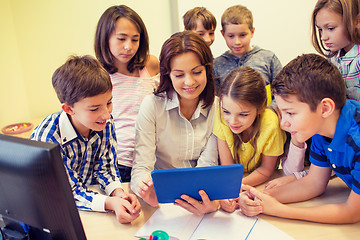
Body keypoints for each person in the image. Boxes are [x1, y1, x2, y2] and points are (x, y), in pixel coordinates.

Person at [239, 53, 360, 224]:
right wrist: (259, 198)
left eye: (291, 113)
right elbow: (314, 183)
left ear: (325, 108)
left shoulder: (356, 139)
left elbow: (352, 212)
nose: (283, 124)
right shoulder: (321, 127)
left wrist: (280, 210)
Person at [30, 55, 141, 224]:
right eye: (95, 108)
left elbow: (105, 167)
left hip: (92, 203)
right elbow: (68, 191)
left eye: (109, 102)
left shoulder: (104, 122)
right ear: (69, 109)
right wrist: (110, 203)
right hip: (56, 211)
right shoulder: (48, 139)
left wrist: (118, 193)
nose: (106, 114)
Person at [130, 31, 219, 215]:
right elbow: (141, 167)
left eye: (197, 72)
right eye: (179, 75)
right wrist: (144, 187)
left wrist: (207, 200)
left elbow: (207, 165)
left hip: (200, 198)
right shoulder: (152, 106)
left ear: (207, 70)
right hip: (161, 202)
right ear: (167, 74)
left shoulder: (217, 107)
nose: (189, 82)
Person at [94, 5, 160, 182]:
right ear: (105, 38)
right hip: (116, 161)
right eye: (121, 39)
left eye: (135, 39)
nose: (128, 47)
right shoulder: (97, 73)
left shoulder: (150, 65)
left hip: (151, 159)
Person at [213, 66, 286, 213]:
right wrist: (231, 192)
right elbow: (228, 169)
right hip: (234, 182)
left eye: (243, 115)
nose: (232, 121)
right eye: (227, 111)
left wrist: (237, 187)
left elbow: (266, 170)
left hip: (260, 183)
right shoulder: (221, 116)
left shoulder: (270, 123)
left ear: (259, 108)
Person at [213, 4, 282, 99]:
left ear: (252, 32)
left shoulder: (268, 58)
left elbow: (282, 93)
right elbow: (216, 100)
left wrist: (270, 110)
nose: (237, 42)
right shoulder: (216, 65)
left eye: (242, 35)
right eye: (231, 36)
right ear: (223, 34)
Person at [312, 0, 360, 101]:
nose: (323, 37)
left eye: (330, 28)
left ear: (357, 21)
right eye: (320, 29)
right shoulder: (331, 55)